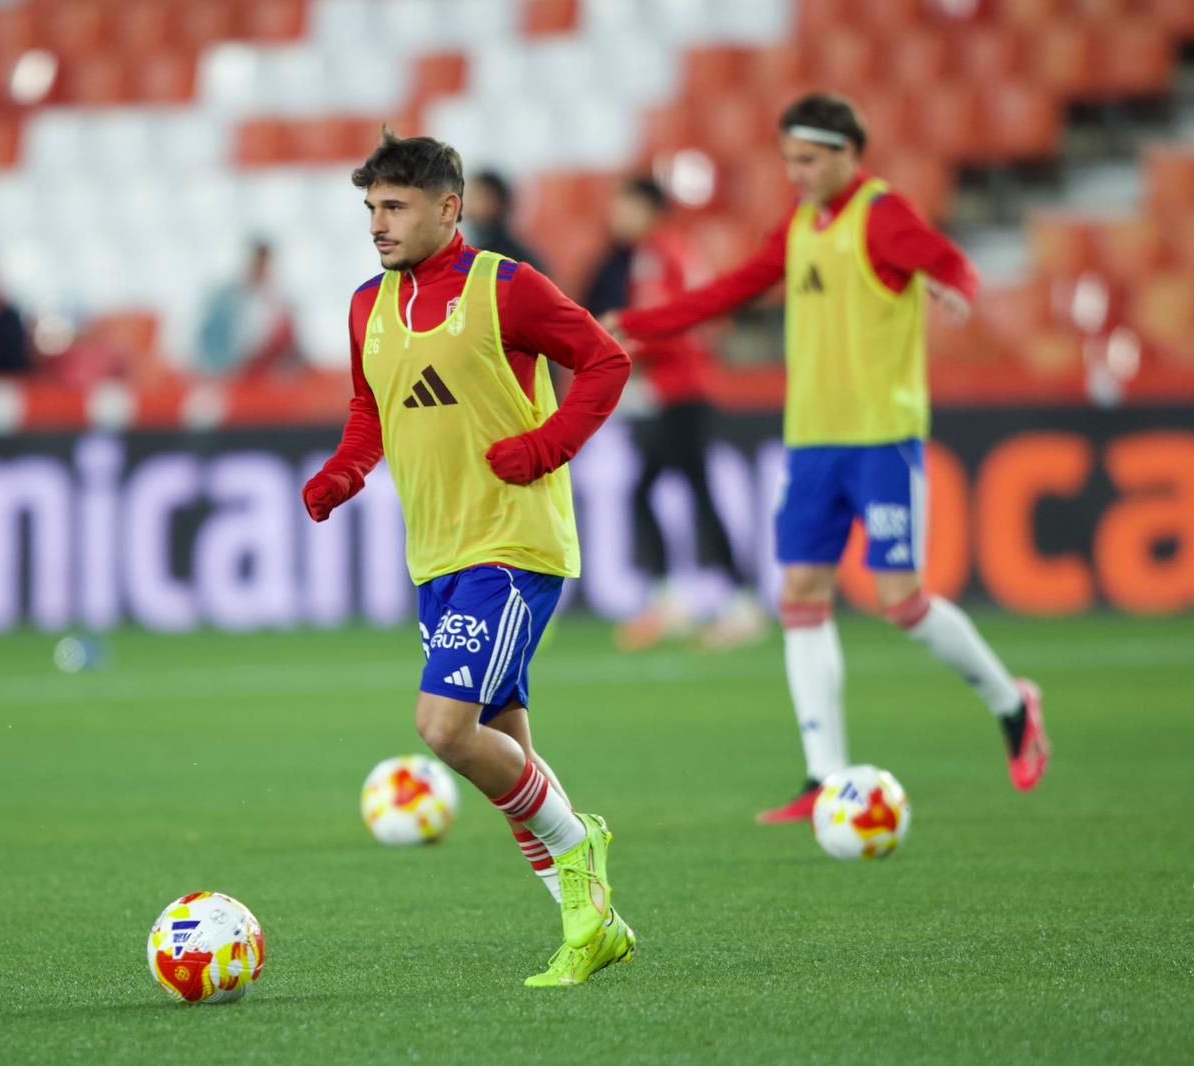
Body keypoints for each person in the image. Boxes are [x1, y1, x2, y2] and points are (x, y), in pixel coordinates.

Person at [603, 93, 1051, 823]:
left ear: (849, 153)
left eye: (809, 159)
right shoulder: (800, 227)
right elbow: (733, 289)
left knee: (899, 600)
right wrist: (637, 323)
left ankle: (1011, 703)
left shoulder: (882, 215)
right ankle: (824, 776)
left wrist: (954, 285)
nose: (797, 173)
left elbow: (947, 259)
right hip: (811, 442)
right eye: (788, 160)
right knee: (802, 596)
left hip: (881, 439)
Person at [302, 132, 635, 987]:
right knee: (504, 746)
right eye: (370, 207)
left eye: (395, 207)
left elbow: (605, 361)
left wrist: (549, 445)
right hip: (437, 556)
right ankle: (589, 920)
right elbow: (370, 408)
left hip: (516, 545)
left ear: (449, 209)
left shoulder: (504, 288)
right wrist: (346, 470)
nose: (377, 224)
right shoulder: (365, 306)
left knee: (445, 729)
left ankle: (579, 844)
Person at [585, 176, 768, 651]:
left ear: (648, 209)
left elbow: (672, 323)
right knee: (671, 490)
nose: (616, 218)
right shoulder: (672, 251)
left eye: (624, 207)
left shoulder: (658, 254)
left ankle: (724, 603)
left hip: (678, 390)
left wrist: (620, 349)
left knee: (674, 491)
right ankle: (698, 601)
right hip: (678, 389)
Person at [194, 242, 300, 377]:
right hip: (233, 374)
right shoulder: (228, 299)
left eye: (266, 264)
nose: (262, 269)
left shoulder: (280, 302)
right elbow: (210, 340)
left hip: (268, 376)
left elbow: (289, 344)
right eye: (258, 263)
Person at [461, 170, 547, 273]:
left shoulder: (508, 258)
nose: (467, 203)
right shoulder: (475, 246)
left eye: (475, 196)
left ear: (495, 202)